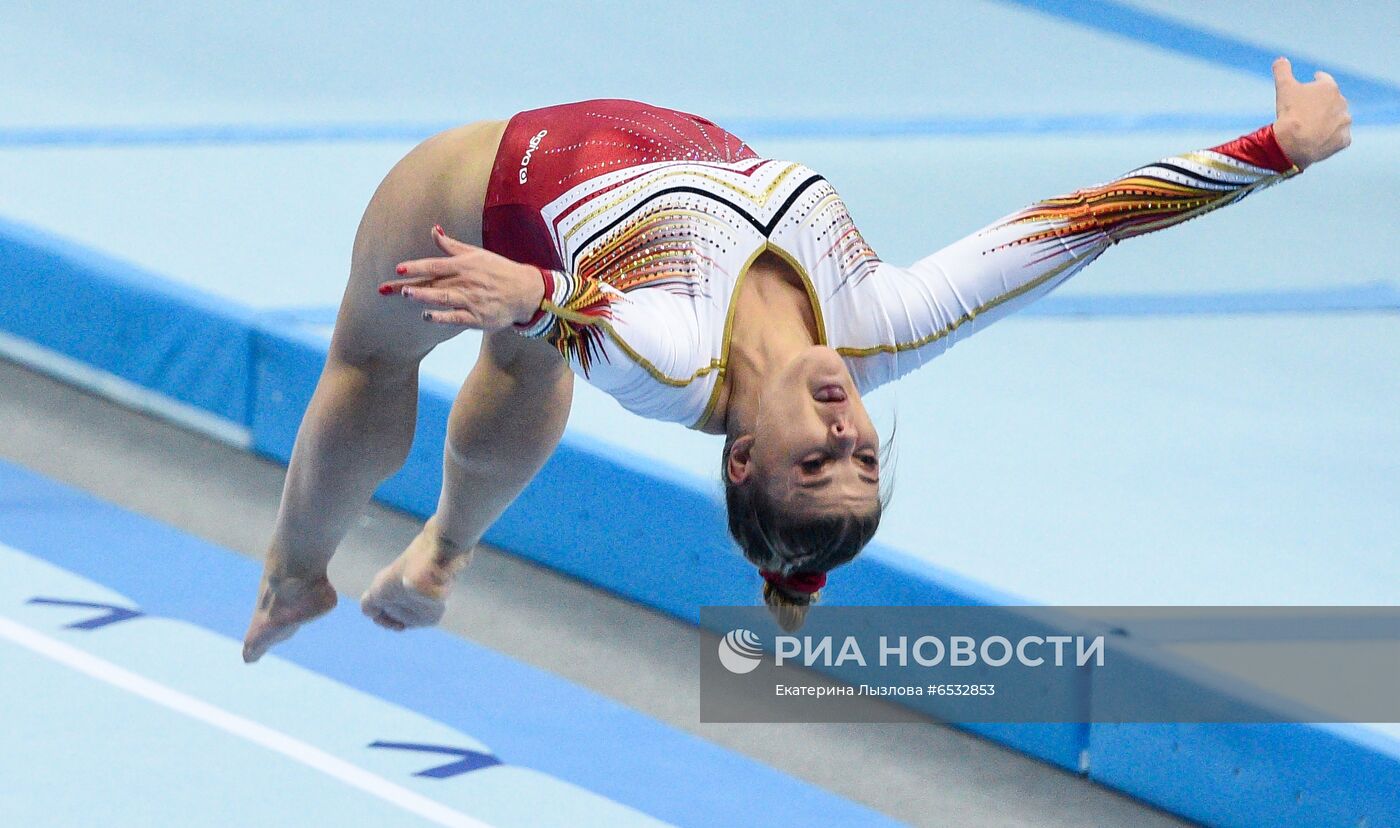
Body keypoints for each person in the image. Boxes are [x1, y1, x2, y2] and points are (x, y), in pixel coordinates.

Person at [242, 58, 1350, 660]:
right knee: (524, 364)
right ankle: (440, 556)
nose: (843, 432)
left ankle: (294, 579)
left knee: (373, 358)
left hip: (487, 183)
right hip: (549, 287)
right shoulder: (889, 325)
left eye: (815, 465)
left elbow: (600, 326)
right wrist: (1272, 155)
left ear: (741, 461)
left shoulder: (677, 370)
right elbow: (1082, 223)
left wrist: (531, 292)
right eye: (863, 458)